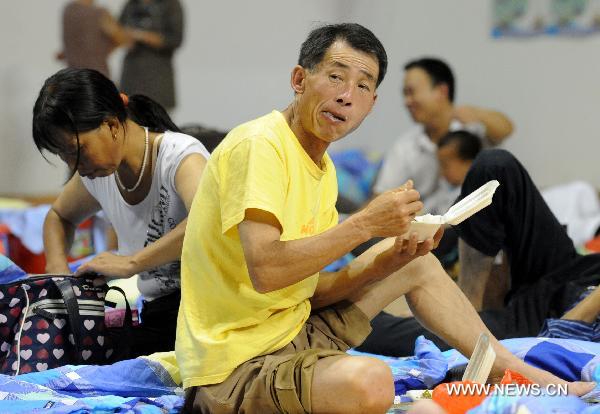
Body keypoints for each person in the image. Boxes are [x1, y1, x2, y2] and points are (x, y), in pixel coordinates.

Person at [176, 24, 593, 414]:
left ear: (372, 104)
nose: (347, 96)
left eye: (363, 86)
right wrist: (364, 225)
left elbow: (302, 291)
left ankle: (514, 369)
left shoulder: (324, 168)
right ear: (299, 80)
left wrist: (383, 263)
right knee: (373, 380)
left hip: (291, 330)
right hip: (233, 367)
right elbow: (267, 271)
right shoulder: (260, 145)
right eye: (336, 77)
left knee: (414, 260)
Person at [32, 68, 209, 358]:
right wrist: (59, 272)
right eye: (63, 156)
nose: (74, 165)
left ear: (112, 125)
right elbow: (59, 217)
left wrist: (130, 263)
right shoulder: (97, 174)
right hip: (162, 315)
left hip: (208, 310)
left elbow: (206, 221)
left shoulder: (181, 156)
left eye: (77, 151)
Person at [358, 149, 600, 357]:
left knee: (376, 333)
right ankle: (465, 302)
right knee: (495, 166)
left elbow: (560, 338)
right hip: (579, 272)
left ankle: (461, 314)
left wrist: (571, 322)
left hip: (554, 319)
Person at [373, 58, 513, 215]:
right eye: (405, 94)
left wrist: (477, 114)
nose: (407, 102)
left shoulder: (471, 130)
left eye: (411, 92)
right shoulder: (405, 146)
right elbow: (382, 198)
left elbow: (506, 128)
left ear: (441, 91)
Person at [119, 0, 184, 111]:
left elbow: (175, 39)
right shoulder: (131, 4)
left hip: (158, 77)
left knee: (157, 121)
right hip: (131, 75)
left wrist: (144, 36)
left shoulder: (171, 4)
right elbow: (118, 30)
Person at [59, 0, 131, 78]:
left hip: (72, 75)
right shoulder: (99, 13)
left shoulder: (68, 10)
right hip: (96, 75)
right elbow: (124, 40)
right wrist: (106, 51)